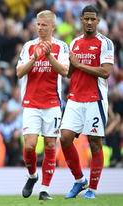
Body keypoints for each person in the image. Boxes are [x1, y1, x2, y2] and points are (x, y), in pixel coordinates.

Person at [60, 5, 114, 199]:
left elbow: (106, 72)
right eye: (86, 19)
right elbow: (68, 73)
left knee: (94, 143)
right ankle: (79, 181)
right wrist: (66, 63)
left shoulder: (105, 43)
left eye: (93, 19)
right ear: (81, 20)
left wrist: (79, 64)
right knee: (65, 138)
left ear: (98, 21)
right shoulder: (74, 42)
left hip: (95, 99)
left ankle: (92, 189)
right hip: (75, 98)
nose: (90, 22)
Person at [16, 10, 69, 200]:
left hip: (53, 104)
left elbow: (64, 71)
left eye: (44, 24)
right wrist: (35, 58)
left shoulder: (61, 47)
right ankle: (32, 176)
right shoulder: (29, 46)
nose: (39, 28)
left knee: (49, 145)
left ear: (53, 26)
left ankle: (44, 189)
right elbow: (19, 72)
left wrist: (49, 56)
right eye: (38, 24)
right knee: (30, 146)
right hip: (31, 102)